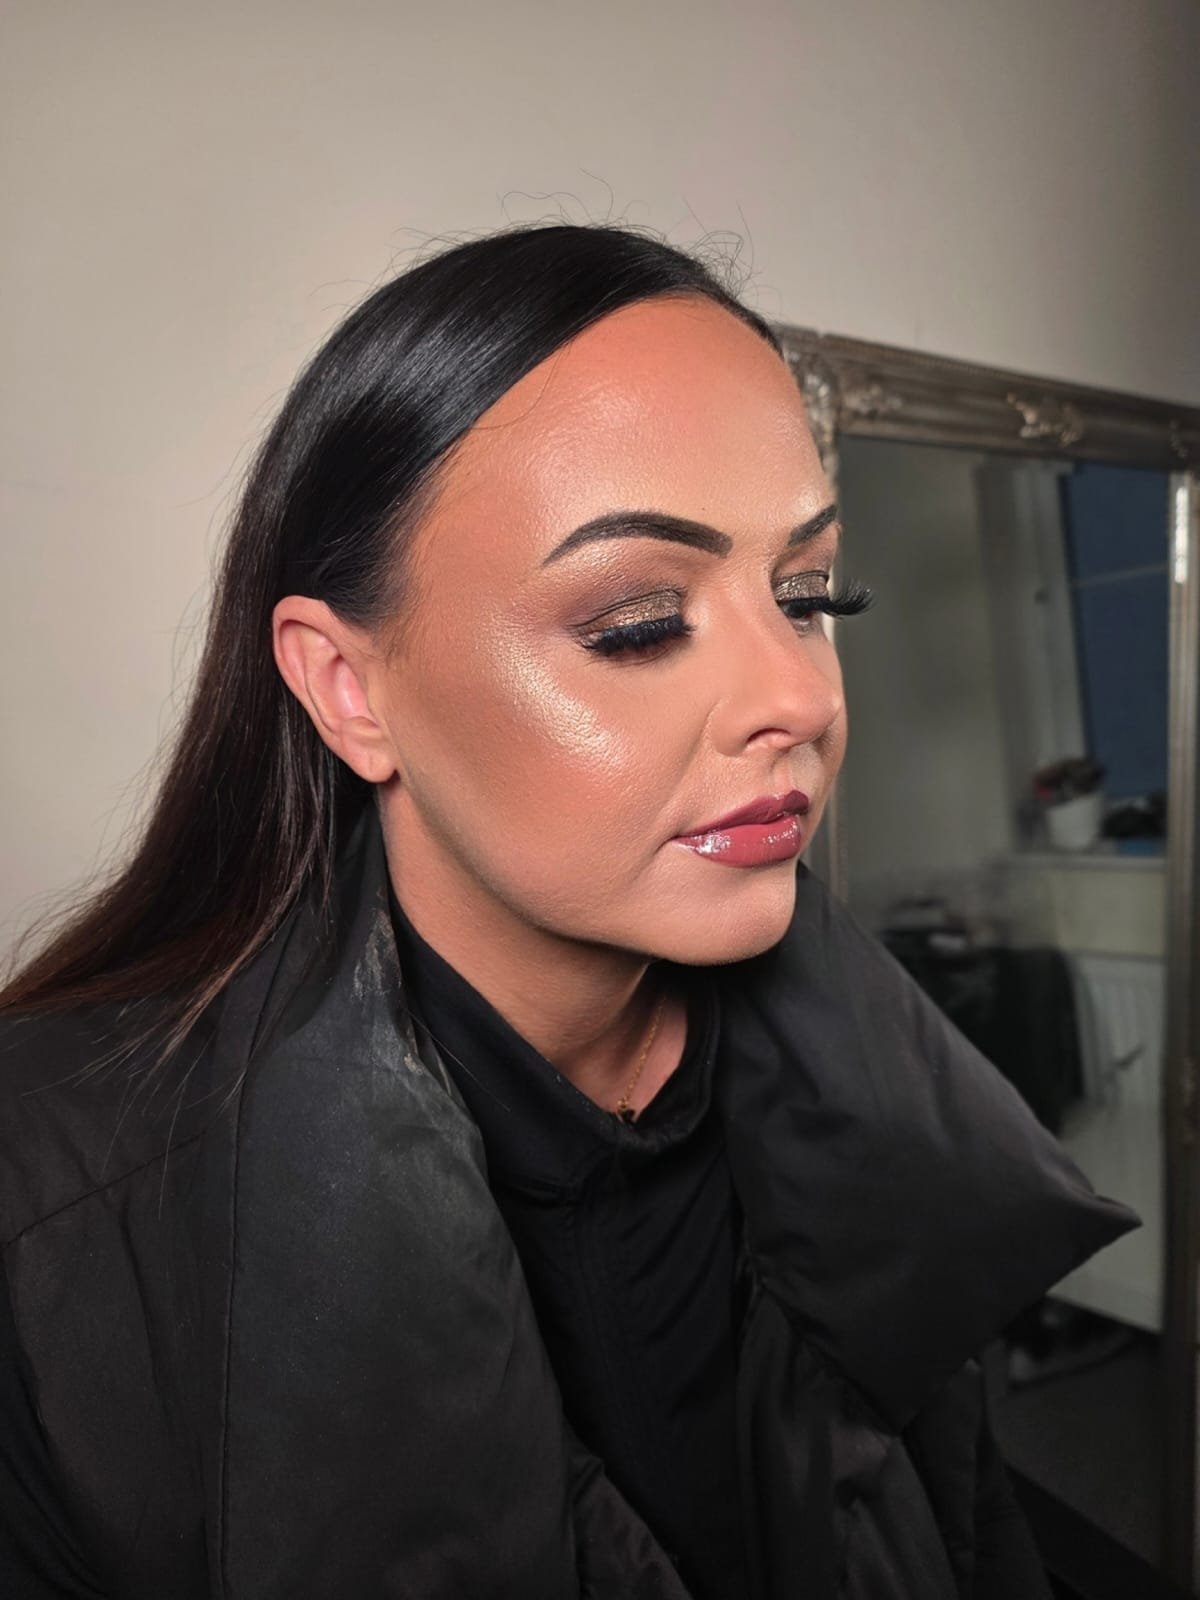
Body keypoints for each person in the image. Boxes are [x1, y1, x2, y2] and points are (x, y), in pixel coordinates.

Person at [0, 223, 1137, 1599]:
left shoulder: (879, 1100)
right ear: (350, 689)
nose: (801, 698)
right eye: (639, 621)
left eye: (809, 593)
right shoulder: (50, 1214)